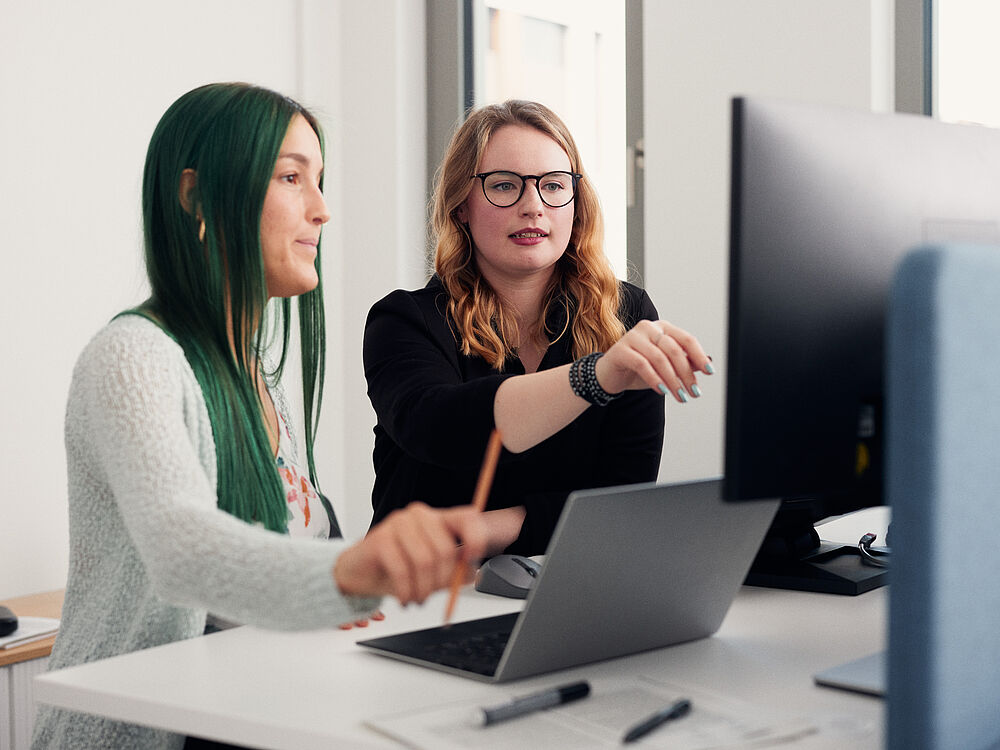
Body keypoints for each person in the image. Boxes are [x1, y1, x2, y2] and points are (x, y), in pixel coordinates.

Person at [31, 83, 491, 750]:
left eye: (320, 180)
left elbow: (279, 558)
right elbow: (185, 552)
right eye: (290, 177)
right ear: (195, 198)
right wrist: (355, 570)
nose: (322, 210)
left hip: (241, 721)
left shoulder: (257, 376)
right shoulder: (133, 358)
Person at [364, 100, 713, 557]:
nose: (533, 206)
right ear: (461, 206)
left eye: (553, 186)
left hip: (562, 590)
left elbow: (619, 507)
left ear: (576, 202)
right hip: (416, 597)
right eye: (504, 185)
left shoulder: (626, 315)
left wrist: (486, 530)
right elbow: (441, 428)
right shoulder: (404, 320)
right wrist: (596, 377)